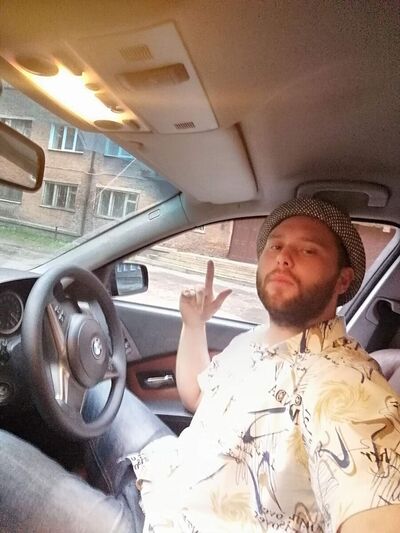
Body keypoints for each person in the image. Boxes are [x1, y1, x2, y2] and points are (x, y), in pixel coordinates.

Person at [0, 197, 400, 532]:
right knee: (95, 387)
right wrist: (194, 325)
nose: (283, 257)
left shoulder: (349, 386)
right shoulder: (256, 339)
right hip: (166, 474)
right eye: (275, 246)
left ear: (343, 280)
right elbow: (196, 397)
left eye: (308, 250)